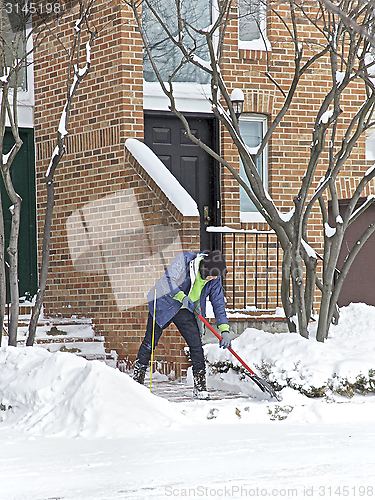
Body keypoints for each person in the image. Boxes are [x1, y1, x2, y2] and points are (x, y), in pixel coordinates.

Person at [132, 250, 231, 399]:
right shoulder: (185, 261)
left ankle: (200, 387)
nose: (215, 278)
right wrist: (181, 296)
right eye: (213, 274)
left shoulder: (214, 278)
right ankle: (136, 381)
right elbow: (167, 281)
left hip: (185, 309)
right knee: (149, 342)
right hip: (163, 303)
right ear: (205, 269)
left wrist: (224, 330)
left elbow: (218, 303)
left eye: (217, 275)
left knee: (196, 345)